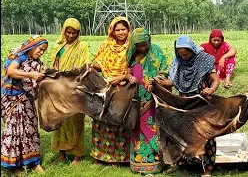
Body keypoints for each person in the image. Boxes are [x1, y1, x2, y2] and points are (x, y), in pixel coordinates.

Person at [154, 35, 219, 177]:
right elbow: (172, 82)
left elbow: (215, 80)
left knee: (206, 135)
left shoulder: (204, 60)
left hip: (202, 103)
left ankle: (207, 170)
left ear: (192, 49)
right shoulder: (178, 62)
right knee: (183, 134)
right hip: (184, 104)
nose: (183, 57)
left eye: (186, 54)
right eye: (180, 54)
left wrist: (211, 89)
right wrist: (159, 83)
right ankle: (184, 164)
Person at [1, 35, 48, 176]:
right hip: (13, 99)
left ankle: (33, 162)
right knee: (15, 130)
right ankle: (15, 166)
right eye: (40, 49)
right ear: (33, 46)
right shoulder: (20, 57)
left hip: (27, 100)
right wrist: (32, 75)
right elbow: (11, 71)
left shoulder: (36, 62)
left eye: (44, 51)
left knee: (30, 129)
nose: (41, 52)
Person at [126, 28, 167, 175]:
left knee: (153, 127)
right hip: (136, 98)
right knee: (137, 127)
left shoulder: (156, 51)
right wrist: (129, 77)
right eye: (139, 45)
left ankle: (155, 163)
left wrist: (155, 80)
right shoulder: (131, 54)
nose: (143, 47)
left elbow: (163, 70)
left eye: (145, 44)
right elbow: (127, 71)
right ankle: (137, 163)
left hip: (153, 96)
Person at [90, 16, 131, 165]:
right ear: (112, 31)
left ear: (128, 30)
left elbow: (134, 68)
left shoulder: (132, 46)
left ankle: (120, 157)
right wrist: (90, 64)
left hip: (124, 88)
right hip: (106, 87)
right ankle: (101, 155)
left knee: (119, 121)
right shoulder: (106, 45)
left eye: (123, 29)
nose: (120, 32)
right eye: (117, 29)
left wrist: (120, 78)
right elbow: (100, 65)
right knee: (101, 120)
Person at [51, 18, 90, 166]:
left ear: (78, 33)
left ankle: (77, 155)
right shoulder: (58, 46)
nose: (71, 35)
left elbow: (84, 65)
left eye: (74, 33)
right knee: (60, 120)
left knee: (75, 120)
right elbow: (54, 65)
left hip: (74, 88)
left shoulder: (82, 46)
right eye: (68, 32)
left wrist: (75, 71)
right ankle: (61, 153)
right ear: (64, 31)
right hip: (59, 88)